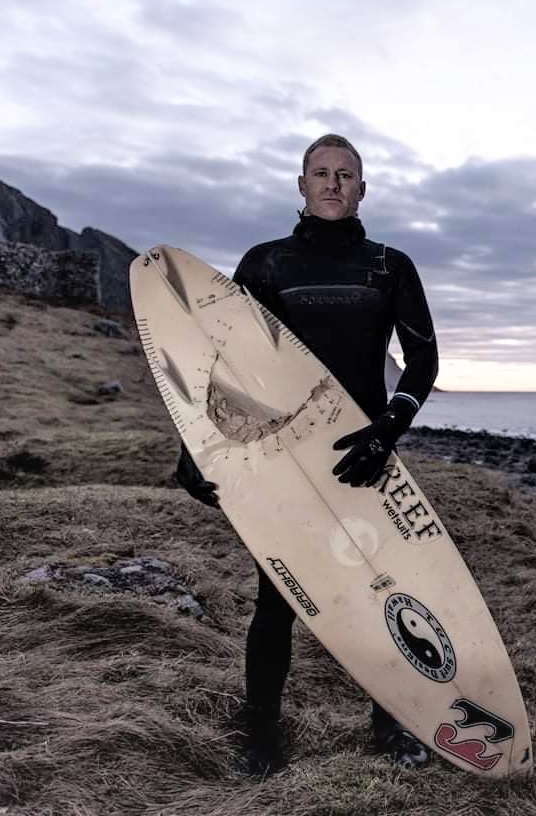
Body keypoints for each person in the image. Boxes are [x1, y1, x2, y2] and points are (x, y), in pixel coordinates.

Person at [175, 134, 439, 775]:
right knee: (277, 599)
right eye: (320, 173)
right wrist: (196, 449)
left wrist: (386, 431)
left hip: (364, 457)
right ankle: (260, 734)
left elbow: (422, 358)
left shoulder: (389, 265)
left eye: (345, 174)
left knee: (384, 594)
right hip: (282, 456)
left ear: (362, 189)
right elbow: (222, 364)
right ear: (300, 184)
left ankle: (391, 724)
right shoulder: (265, 264)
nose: (332, 184)